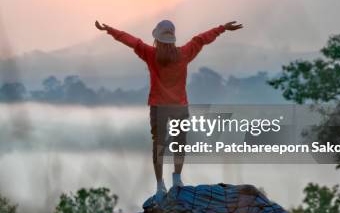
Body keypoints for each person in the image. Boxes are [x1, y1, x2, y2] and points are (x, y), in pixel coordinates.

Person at [95, 19, 243, 198]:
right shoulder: (184, 53)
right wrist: (222, 28)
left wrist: (109, 29)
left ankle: (159, 185)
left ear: (157, 39)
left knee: (158, 146)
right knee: (180, 144)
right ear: (173, 38)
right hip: (179, 106)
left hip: (158, 107)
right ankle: (177, 178)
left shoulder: (150, 54)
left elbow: (131, 41)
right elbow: (201, 39)